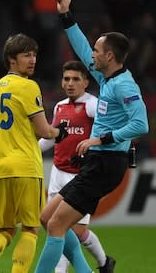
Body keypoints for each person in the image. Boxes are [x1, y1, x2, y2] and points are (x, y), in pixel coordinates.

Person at [35, 0, 149, 273]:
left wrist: (100, 138)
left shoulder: (125, 86)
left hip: (107, 163)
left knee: (58, 225)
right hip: (95, 161)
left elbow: (141, 124)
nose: (93, 54)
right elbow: (82, 49)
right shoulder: (104, 77)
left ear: (109, 56)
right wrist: (65, 14)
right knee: (47, 218)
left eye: (98, 50)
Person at [0, 33, 68, 273]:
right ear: (11, 59)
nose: (33, 59)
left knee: (4, 230)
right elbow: (44, 130)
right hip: (26, 167)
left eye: (34, 54)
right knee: (30, 228)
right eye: (27, 55)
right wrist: (60, 132)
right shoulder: (28, 86)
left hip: (0, 168)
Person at [39, 60, 113, 272]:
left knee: (75, 232)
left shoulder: (92, 105)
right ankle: (104, 264)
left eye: (75, 79)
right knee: (56, 227)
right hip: (58, 173)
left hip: (80, 176)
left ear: (85, 82)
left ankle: (102, 262)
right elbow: (52, 138)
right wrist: (31, 150)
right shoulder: (60, 106)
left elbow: (105, 130)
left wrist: (94, 152)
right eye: (66, 79)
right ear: (62, 82)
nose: (70, 83)